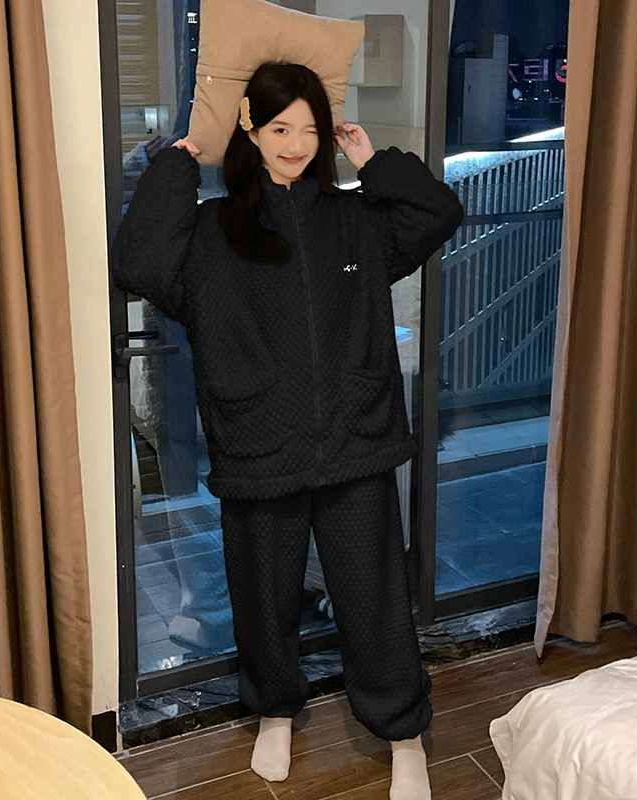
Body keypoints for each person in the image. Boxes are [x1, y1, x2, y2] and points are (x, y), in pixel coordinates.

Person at [111, 61, 464, 800]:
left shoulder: (355, 218)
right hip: (258, 438)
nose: (296, 144)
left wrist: (375, 163)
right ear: (250, 129)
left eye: (309, 129)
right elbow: (138, 264)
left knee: (372, 595)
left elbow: (437, 213)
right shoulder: (213, 229)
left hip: (356, 438)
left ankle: (402, 733)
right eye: (280, 128)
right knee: (263, 595)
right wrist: (176, 167)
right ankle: (274, 709)